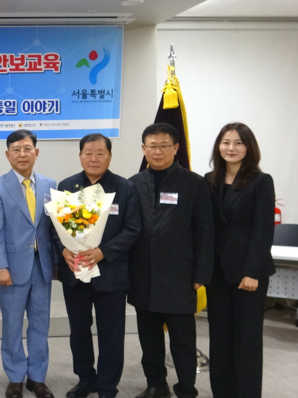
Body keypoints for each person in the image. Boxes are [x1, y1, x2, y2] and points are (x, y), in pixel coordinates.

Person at [128, 123, 214, 398]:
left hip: (180, 276)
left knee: (183, 341)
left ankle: (186, 389)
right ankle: (156, 385)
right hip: (143, 276)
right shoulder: (134, 183)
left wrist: (201, 274)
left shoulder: (194, 183)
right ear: (144, 149)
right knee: (149, 339)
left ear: (176, 148)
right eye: (152, 146)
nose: (158, 151)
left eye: (164, 145)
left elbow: (205, 231)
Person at [52, 133, 141, 398]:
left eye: (100, 153)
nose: (94, 158)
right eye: (88, 153)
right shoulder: (67, 186)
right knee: (79, 331)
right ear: (80, 156)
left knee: (111, 334)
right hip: (75, 272)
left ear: (110, 156)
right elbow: (54, 227)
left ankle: (107, 386)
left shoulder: (125, 188)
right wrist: (64, 250)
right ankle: (85, 379)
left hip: (111, 273)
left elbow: (132, 229)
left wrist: (104, 252)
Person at [205, 123, 275, 398]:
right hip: (218, 273)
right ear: (218, 146)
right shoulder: (209, 180)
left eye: (238, 143)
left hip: (249, 274)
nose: (231, 148)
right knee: (220, 339)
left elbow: (263, 230)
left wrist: (253, 271)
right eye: (226, 142)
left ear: (249, 147)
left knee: (247, 342)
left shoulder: (261, 181)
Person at [0, 129, 56, 398]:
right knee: (12, 325)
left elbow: (55, 228)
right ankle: (15, 377)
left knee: (40, 324)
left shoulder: (50, 184)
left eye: (27, 149)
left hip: (43, 267)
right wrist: (0, 267)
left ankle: (37, 378)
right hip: (12, 268)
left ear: (36, 152)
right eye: (16, 150)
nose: (22, 154)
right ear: (8, 154)